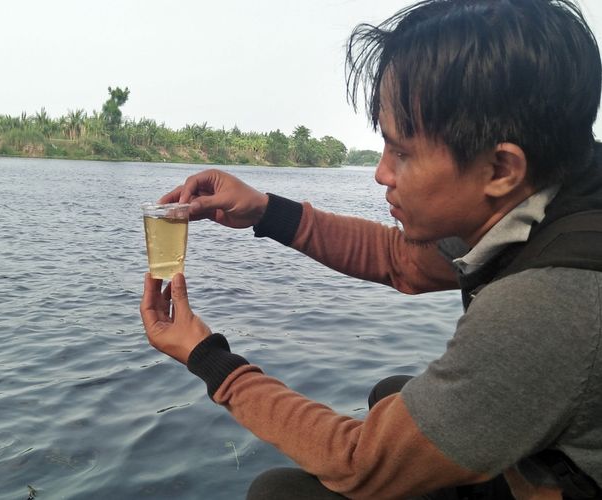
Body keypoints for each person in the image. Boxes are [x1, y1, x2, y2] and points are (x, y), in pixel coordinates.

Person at [139, 0, 602, 498]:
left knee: (282, 492)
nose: (381, 173)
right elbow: (402, 261)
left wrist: (208, 358)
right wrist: (264, 210)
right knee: (392, 397)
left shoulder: (551, 303)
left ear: (500, 169)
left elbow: (361, 462)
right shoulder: (556, 192)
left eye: (401, 152)